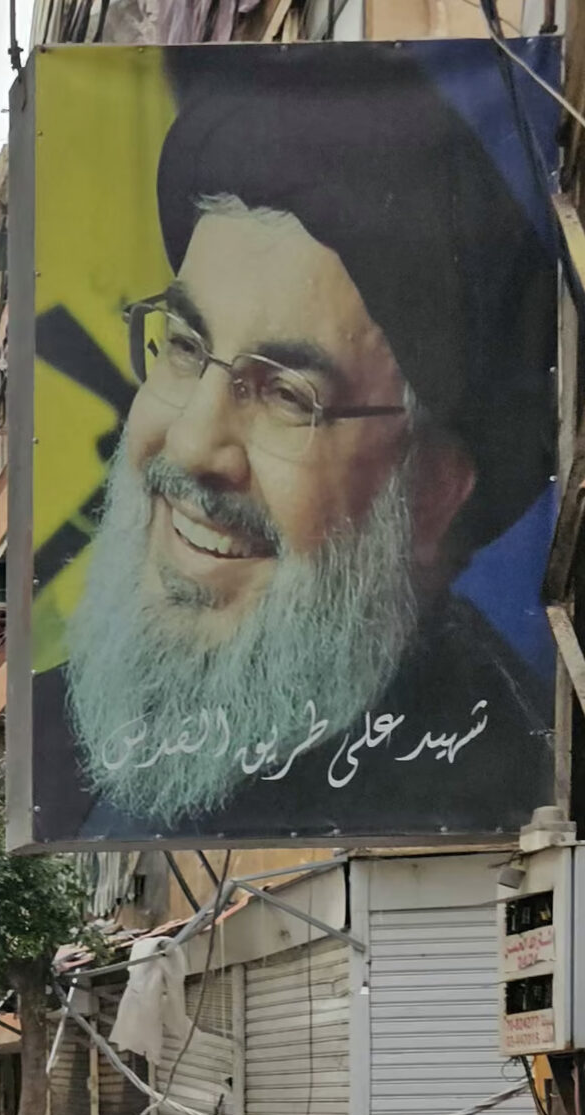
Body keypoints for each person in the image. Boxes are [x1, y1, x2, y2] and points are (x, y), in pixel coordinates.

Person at [32, 46, 556, 841]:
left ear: (434, 490)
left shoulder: (502, 778)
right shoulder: (50, 734)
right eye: (181, 344)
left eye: (287, 395)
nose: (193, 443)